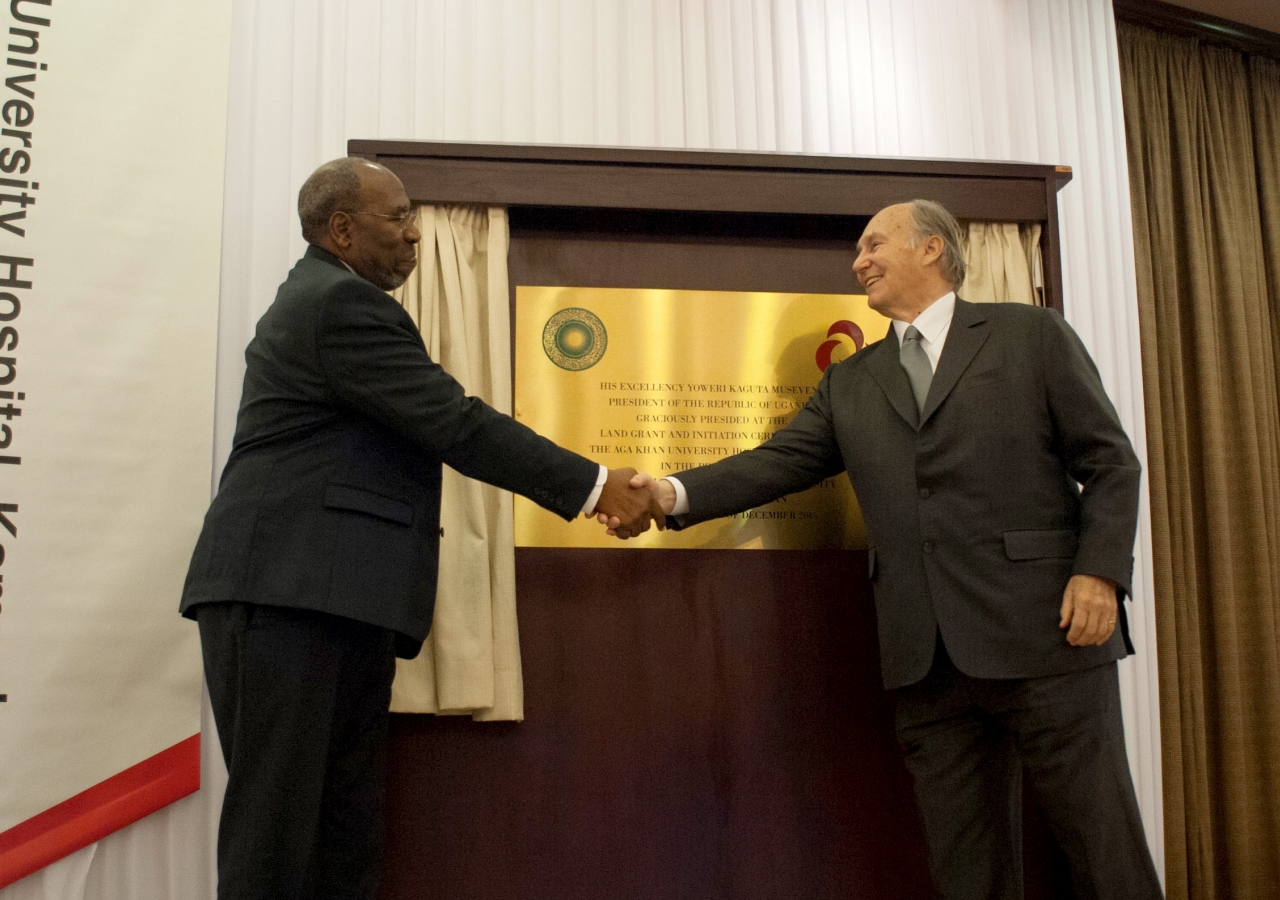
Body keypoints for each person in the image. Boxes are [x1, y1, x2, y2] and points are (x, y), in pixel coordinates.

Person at [624, 200, 1164, 899]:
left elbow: (1112, 464)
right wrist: (667, 494)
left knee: (1103, 850)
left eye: (874, 244)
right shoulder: (852, 379)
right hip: (926, 663)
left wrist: (1098, 574)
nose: (859, 262)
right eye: (859, 250)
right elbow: (778, 461)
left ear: (933, 249)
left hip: (1049, 640)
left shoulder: (1031, 335)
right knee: (968, 872)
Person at [180, 157, 660, 900]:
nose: (413, 235)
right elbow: (454, 423)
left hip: (332, 600)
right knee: (277, 840)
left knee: (341, 837)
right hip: (286, 597)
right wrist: (595, 485)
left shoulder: (331, 298)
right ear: (341, 229)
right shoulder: (337, 304)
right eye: (398, 218)